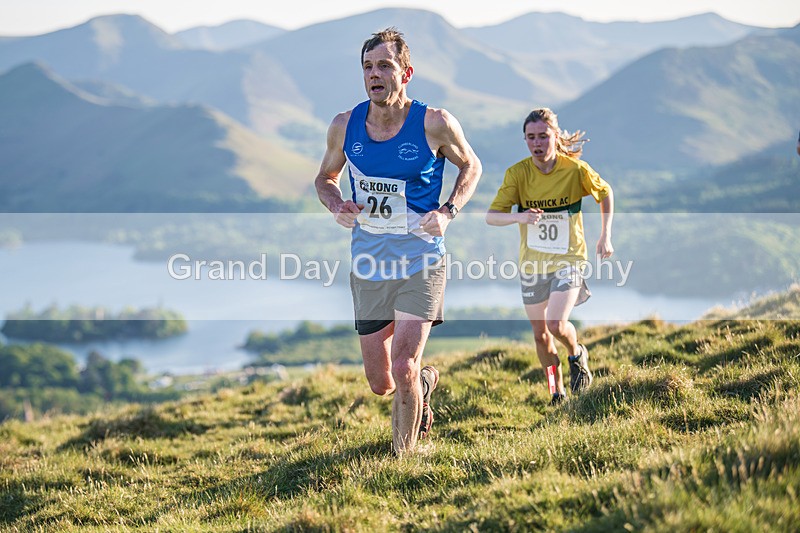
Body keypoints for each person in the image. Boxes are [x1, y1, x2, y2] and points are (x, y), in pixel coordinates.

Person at [315, 28, 482, 454]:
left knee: (404, 363)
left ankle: (401, 462)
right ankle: (424, 385)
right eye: (368, 67)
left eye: (385, 65)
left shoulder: (434, 123)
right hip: (369, 264)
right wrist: (337, 204)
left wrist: (448, 212)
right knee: (381, 381)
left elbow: (472, 167)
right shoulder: (343, 126)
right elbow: (325, 178)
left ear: (405, 73)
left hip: (422, 260)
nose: (375, 74)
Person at [485, 108, 613, 405]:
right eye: (531, 137)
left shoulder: (574, 170)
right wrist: (521, 218)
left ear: (555, 136)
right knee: (541, 336)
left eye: (543, 136)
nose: (537, 143)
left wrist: (605, 234)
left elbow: (605, 193)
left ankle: (576, 353)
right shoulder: (517, 174)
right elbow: (492, 217)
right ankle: (556, 390)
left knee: (556, 324)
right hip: (532, 264)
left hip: (569, 259)